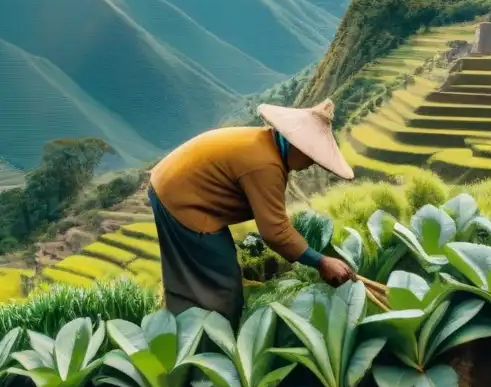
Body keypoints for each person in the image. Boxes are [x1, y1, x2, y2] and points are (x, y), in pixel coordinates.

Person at [147, 98, 357, 328]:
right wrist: (321, 262)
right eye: (311, 156)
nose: (310, 163)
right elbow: (275, 232)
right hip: (183, 199)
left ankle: (182, 332)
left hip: (170, 184)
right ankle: (212, 345)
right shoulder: (266, 166)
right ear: (296, 145)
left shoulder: (266, 144)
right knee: (221, 283)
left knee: (189, 277)